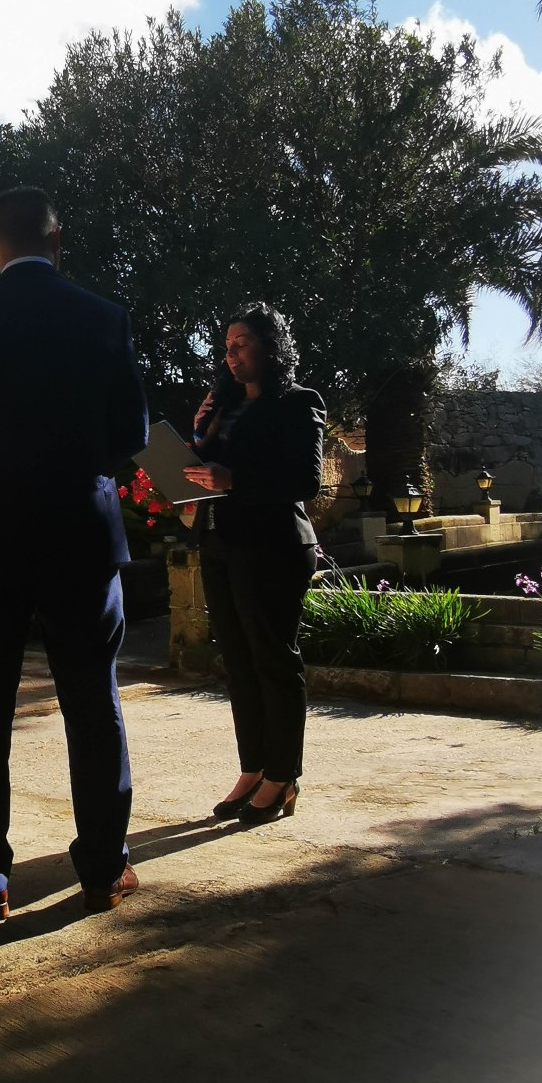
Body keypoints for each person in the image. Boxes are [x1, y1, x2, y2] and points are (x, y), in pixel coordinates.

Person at [0, 185, 149, 922]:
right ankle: (103, 870)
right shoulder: (104, 317)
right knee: (93, 698)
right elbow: (132, 431)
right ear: (57, 240)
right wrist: (79, 475)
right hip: (81, 535)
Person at [183, 303, 326, 827]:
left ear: (270, 347)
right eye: (227, 346)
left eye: (242, 343)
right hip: (219, 542)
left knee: (272, 660)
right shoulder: (222, 404)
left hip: (273, 546)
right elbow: (208, 469)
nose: (232, 354)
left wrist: (235, 480)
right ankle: (254, 768)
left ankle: (283, 775)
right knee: (239, 663)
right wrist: (197, 437)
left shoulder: (298, 402)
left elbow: (306, 481)